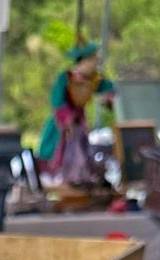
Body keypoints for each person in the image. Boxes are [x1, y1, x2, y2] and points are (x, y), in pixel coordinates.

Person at [39, 40, 115, 185]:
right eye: (92, 59)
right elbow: (56, 99)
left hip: (79, 122)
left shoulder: (94, 79)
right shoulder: (66, 77)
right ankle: (59, 183)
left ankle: (76, 181)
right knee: (62, 152)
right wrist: (66, 120)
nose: (95, 63)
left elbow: (109, 88)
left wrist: (109, 98)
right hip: (63, 125)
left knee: (81, 153)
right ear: (84, 60)